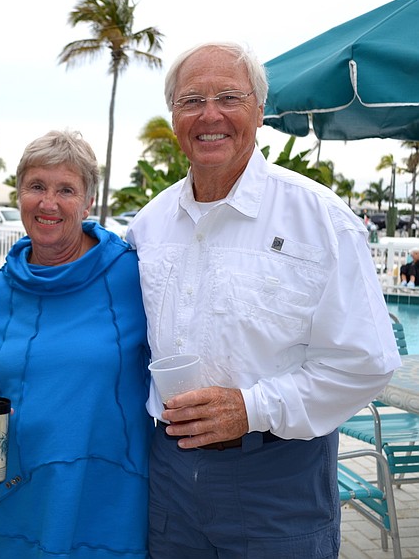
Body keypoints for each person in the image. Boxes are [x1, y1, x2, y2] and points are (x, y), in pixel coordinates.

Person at [126, 41, 399, 559]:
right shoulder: (149, 224)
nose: (210, 115)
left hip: (278, 478)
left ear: (259, 109)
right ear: (174, 116)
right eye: (191, 101)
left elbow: (367, 362)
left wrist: (251, 408)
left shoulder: (321, 220)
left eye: (228, 97)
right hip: (168, 474)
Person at [0, 130, 153, 559]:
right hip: (15, 499)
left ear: (87, 204)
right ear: (19, 194)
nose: (49, 203)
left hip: (106, 502)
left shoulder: (132, 276)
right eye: (37, 187)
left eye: (66, 189)